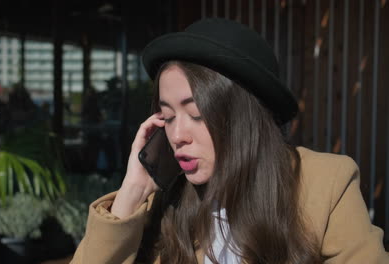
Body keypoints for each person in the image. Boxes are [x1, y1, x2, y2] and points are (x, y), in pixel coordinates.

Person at [70, 18, 389, 264]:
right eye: (167, 118)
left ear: (243, 116)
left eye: (195, 114)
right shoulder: (163, 200)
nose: (177, 136)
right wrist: (133, 190)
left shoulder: (326, 184)